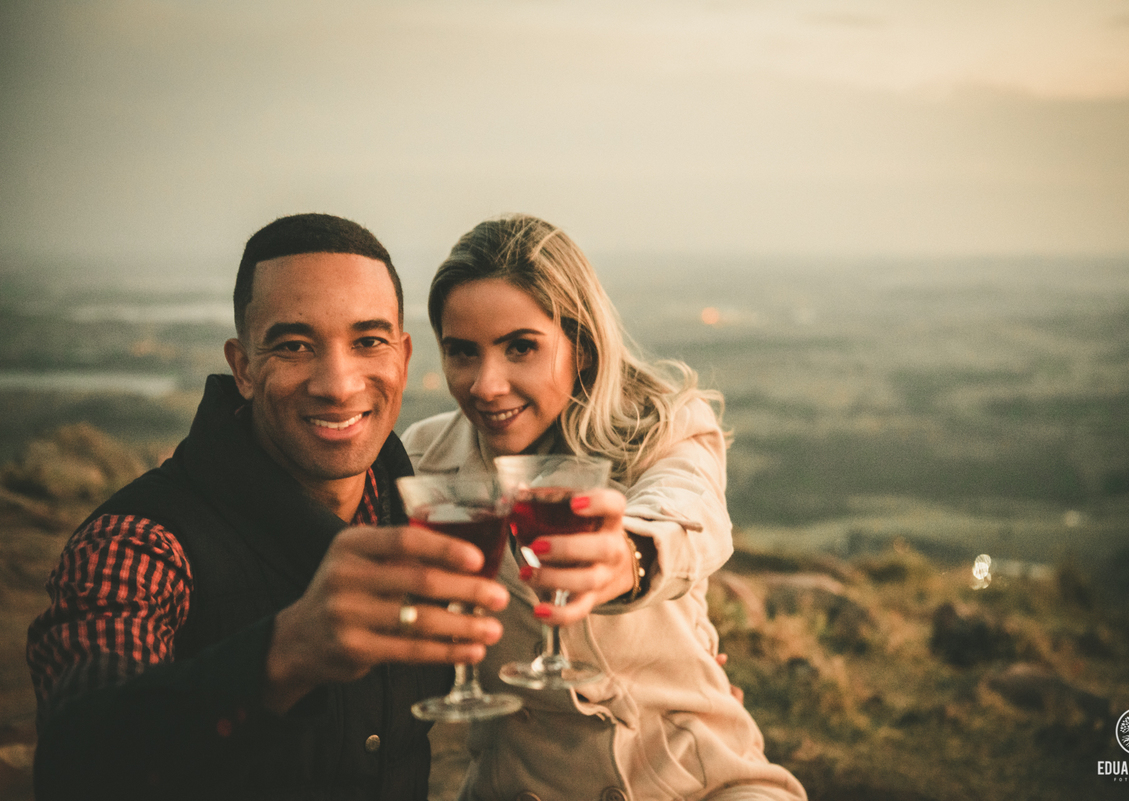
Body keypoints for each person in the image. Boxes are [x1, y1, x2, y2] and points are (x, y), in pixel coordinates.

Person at [25, 213, 510, 800]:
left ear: (403, 357)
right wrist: (284, 652)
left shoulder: (413, 500)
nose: (338, 383)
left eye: (369, 341)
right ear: (244, 367)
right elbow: (79, 761)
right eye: (294, 345)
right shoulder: (141, 542)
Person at [402, 214, 806, 801]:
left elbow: (689, 517)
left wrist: (628, 558)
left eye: (521, 348)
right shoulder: (421, 463)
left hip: (700, 785)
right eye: (463, 352)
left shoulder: (663, 432)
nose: (487, 384)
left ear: (582, 348)